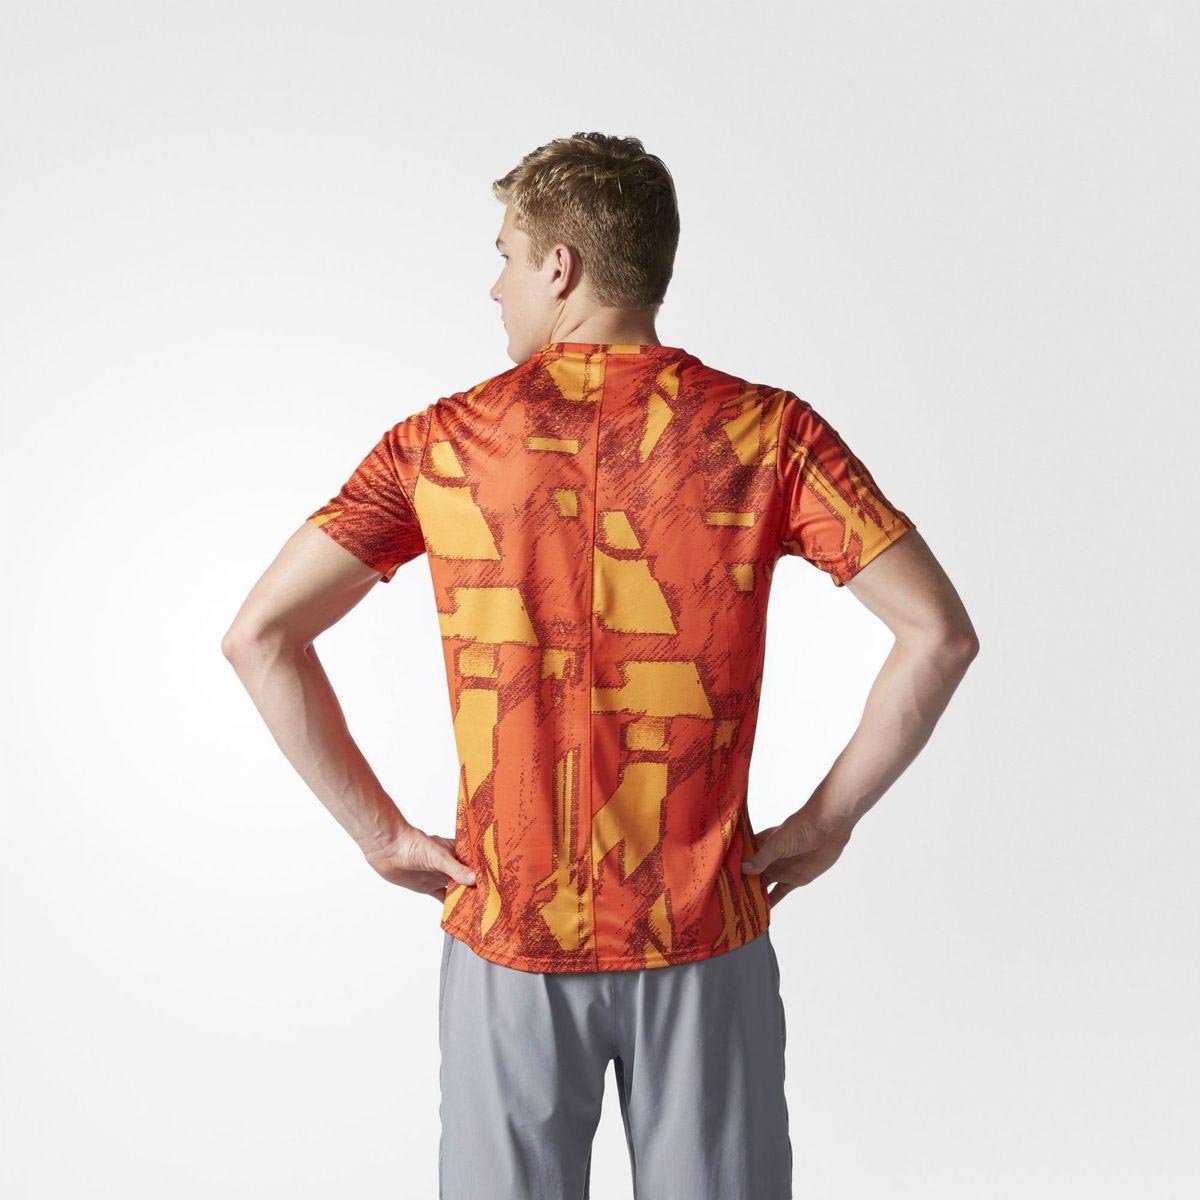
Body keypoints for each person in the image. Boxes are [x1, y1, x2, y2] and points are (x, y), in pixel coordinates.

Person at [222, 131, 979, 1200]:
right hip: (701, 932)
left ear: (560, 266)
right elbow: (939, 634)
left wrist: (381, 836)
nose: (495, 287)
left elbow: (260, 635)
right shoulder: (768, 433)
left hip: (511, 934)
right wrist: (827, 821)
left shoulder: (440, 445)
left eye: (505, 256)